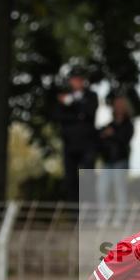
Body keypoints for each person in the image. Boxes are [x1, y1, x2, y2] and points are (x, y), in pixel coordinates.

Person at [54, 67, 99, 201]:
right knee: (70, 180)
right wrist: (78, 114)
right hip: (69, 144)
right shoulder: (63, 96)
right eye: (74, 79)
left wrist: (71, 103)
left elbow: (89, 112)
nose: (76, 82)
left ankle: (90, 213)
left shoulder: (91, 96)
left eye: (79, 79)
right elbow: (58, 116)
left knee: (88, 178)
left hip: (87, 144)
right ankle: (74, 215)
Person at [96, 96, 135, 226]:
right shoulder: (109, 125)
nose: (118, 107)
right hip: (108, 162)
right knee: (101, 188)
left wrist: (112, 135)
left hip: (121, 161)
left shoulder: (128, 125)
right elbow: (100, 140)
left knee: (120, 189)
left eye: (120, 104)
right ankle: (104, 216)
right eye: (116, 104)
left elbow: (124, 140)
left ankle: (120, 217)